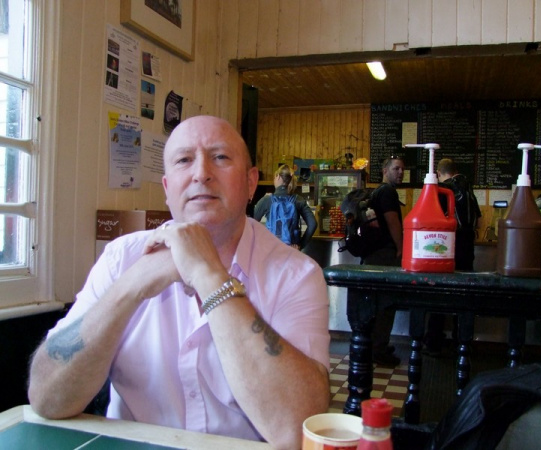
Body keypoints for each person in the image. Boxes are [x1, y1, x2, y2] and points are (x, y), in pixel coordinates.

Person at [28, 116, 331, 449]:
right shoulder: (122, 258)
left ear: (250, 183)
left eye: (220, 157)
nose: (201, 173)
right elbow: (47, 398)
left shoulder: (296, 274)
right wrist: (132, 286)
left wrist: (210, 277)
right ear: (168, 188)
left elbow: (297, 431)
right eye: (184, 160)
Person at [424, 158, 481, 355]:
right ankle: (462, 342)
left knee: (439, 294)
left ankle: (433, 343)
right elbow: (478, 221)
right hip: (467, 248)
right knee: (463, 295)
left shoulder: (441, 189)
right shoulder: (469, 189)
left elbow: (433, 219)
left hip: (446, 246)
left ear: (439, 173)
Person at [363, 156, 405, 366]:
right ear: (385, 170)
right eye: (396, 169)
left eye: (402, 169)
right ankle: (379, 350)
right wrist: (401, 248)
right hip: (385, 255)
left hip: (373, 255)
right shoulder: (387, 192)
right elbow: (392, 221)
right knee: (386, 303)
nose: (400, 172)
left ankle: (374, 345)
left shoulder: (377, 191)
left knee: (375, 303)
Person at [253, 164, 317, 250]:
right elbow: (313, 224)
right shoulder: (298, 200)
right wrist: (300, 245)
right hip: (292, 250)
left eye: (275, 177)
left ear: (278, 177)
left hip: (271, 250)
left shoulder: (266, 200)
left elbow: (250, 224)